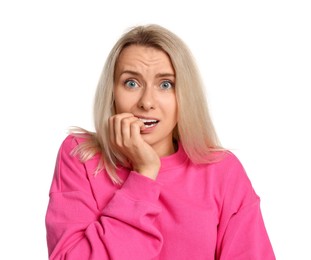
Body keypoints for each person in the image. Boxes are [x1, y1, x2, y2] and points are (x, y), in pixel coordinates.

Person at [45, 24, 275, 259]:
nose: (146, 102)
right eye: (131, 83)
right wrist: (144, 174)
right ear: (112, 93)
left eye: (165, 84)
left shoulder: (221, 171)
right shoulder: (82, 156)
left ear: (183, 95)